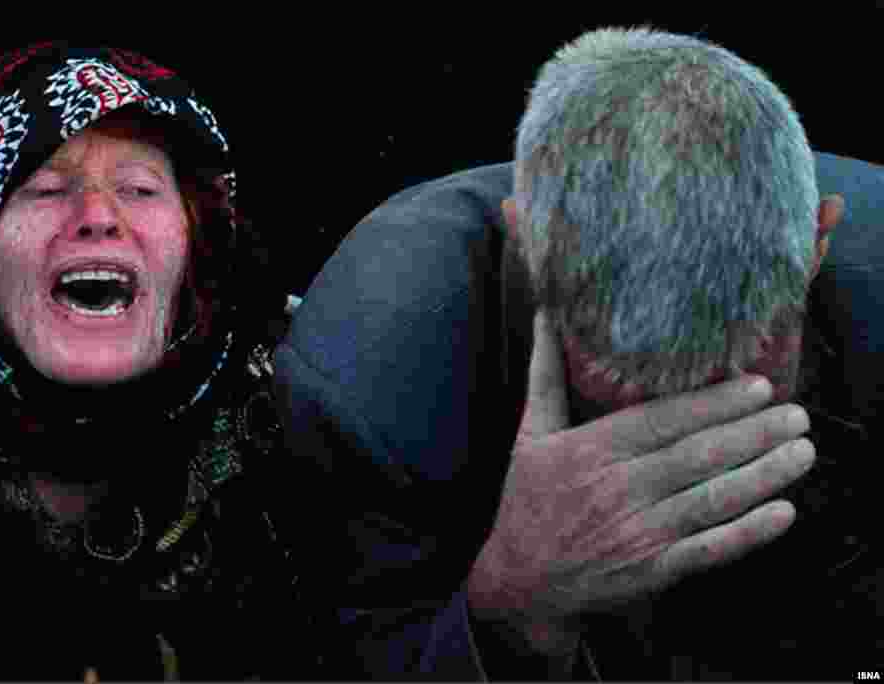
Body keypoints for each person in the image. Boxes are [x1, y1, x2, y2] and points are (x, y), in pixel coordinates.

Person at [274, 27, 882, 679]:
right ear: (526, 250)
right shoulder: (366, 388)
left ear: (818, 242)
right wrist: (507, 608)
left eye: (733, 360)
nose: (687, 422)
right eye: (640, 373)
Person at [0, 44, 316, 680]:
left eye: (139, 189)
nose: (99, 217)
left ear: (198, 243)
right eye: (43, 189)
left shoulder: (317, 429)